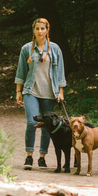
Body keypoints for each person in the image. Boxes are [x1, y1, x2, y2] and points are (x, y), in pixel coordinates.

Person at [14, 18, 66, 170]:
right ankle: (29, 156)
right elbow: (21, 71)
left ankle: (42, 158)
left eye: (43, 28)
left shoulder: (55, 49)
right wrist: (18, 90)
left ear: (47, 30)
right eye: (37, 28)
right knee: (32, 122)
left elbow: (60, 71)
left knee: (46, 126)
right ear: (33, 30)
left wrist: (61, 91)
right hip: (31, 90)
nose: (40, 31)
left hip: (49, 92)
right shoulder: (26, 49)